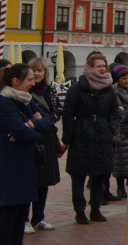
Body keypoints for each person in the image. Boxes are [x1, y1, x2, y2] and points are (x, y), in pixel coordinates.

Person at [62, 52, 118, 224]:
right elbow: (68, 114)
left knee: (101, 175)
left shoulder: (109, 88)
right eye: (98, 66)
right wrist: (68, 138)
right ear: (89, 67)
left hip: (102, 136)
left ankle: (95, 209)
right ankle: (79, 211)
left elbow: (114, 112)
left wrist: (111, 128)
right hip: (82, 135)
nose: (102, 69)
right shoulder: (78, 88)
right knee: (78, 176)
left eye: (104, 66)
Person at [0, 63, 52, 245]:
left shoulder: (26, 100)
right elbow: (20, 132)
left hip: (26, 169)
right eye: (29, 79)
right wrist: (33, 129)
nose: (33, 82)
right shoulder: (4, 103)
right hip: (10, 170)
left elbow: (48, 121)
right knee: (8, 221)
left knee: (20, 218)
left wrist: (30, 125)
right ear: (15, 81)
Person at [26, 57, 62, 233]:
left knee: (44, 181)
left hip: (47, 140)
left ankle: (38, 217)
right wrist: (39, 121)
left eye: (40, 70)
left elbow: (58, 111)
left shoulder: (49, 90)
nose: (37, 73)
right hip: (31, 138)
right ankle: (24, 219)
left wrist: (46, 120)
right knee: (28, 180)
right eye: (34, 70)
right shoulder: (25, 91)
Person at [111, 64, 128, 201]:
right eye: (124, 78)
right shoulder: (115, 92)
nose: (127, 81)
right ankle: (120, 187)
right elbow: (118, 109)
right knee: (120, 161)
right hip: (121, 130)